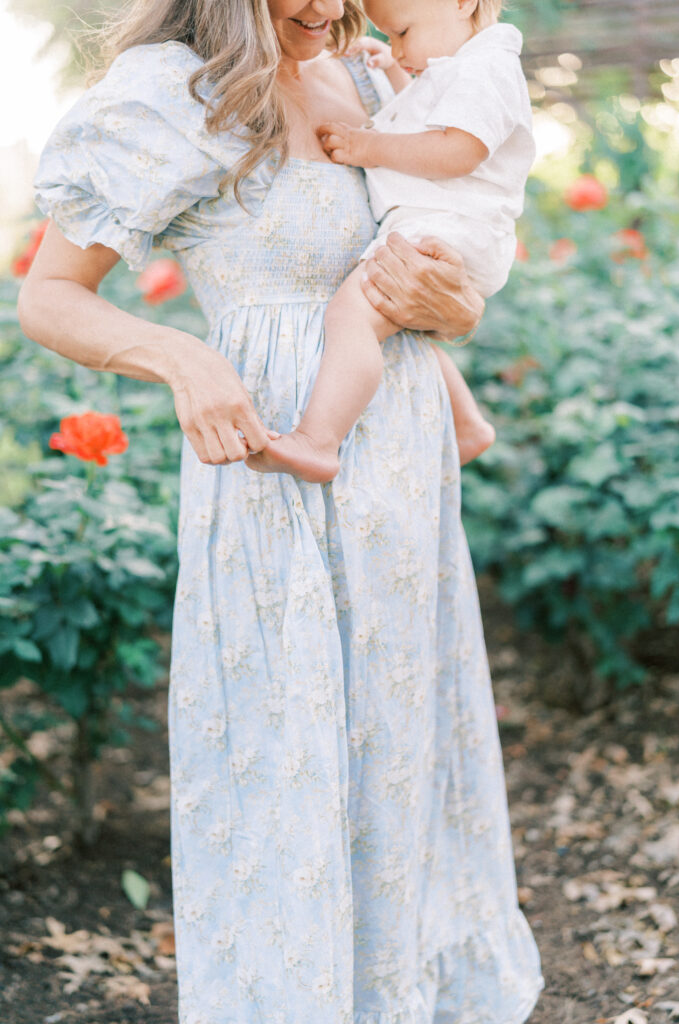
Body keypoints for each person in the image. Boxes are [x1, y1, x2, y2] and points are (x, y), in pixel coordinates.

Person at [19, 1, 544, 1021]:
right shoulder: (172, 92)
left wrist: (453, 305)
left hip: (398, 462)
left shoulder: (379, 79)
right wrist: (181, 358)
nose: (322, 9)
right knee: (286, 745)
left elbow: (430, 262)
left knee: (398, 741)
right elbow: (49, 298)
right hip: (271, 466)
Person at [248, 0, 535, 483]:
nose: (396, 50)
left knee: (350, 314)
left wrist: (369, 147)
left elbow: (460, 149)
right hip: (446, 225)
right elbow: (426, 119)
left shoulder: (487, 67)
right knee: (392, 323)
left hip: (449, 228)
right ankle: (468, 426)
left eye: (401, 33)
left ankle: (318, 441)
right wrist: (397, 75)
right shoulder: (461, 65)